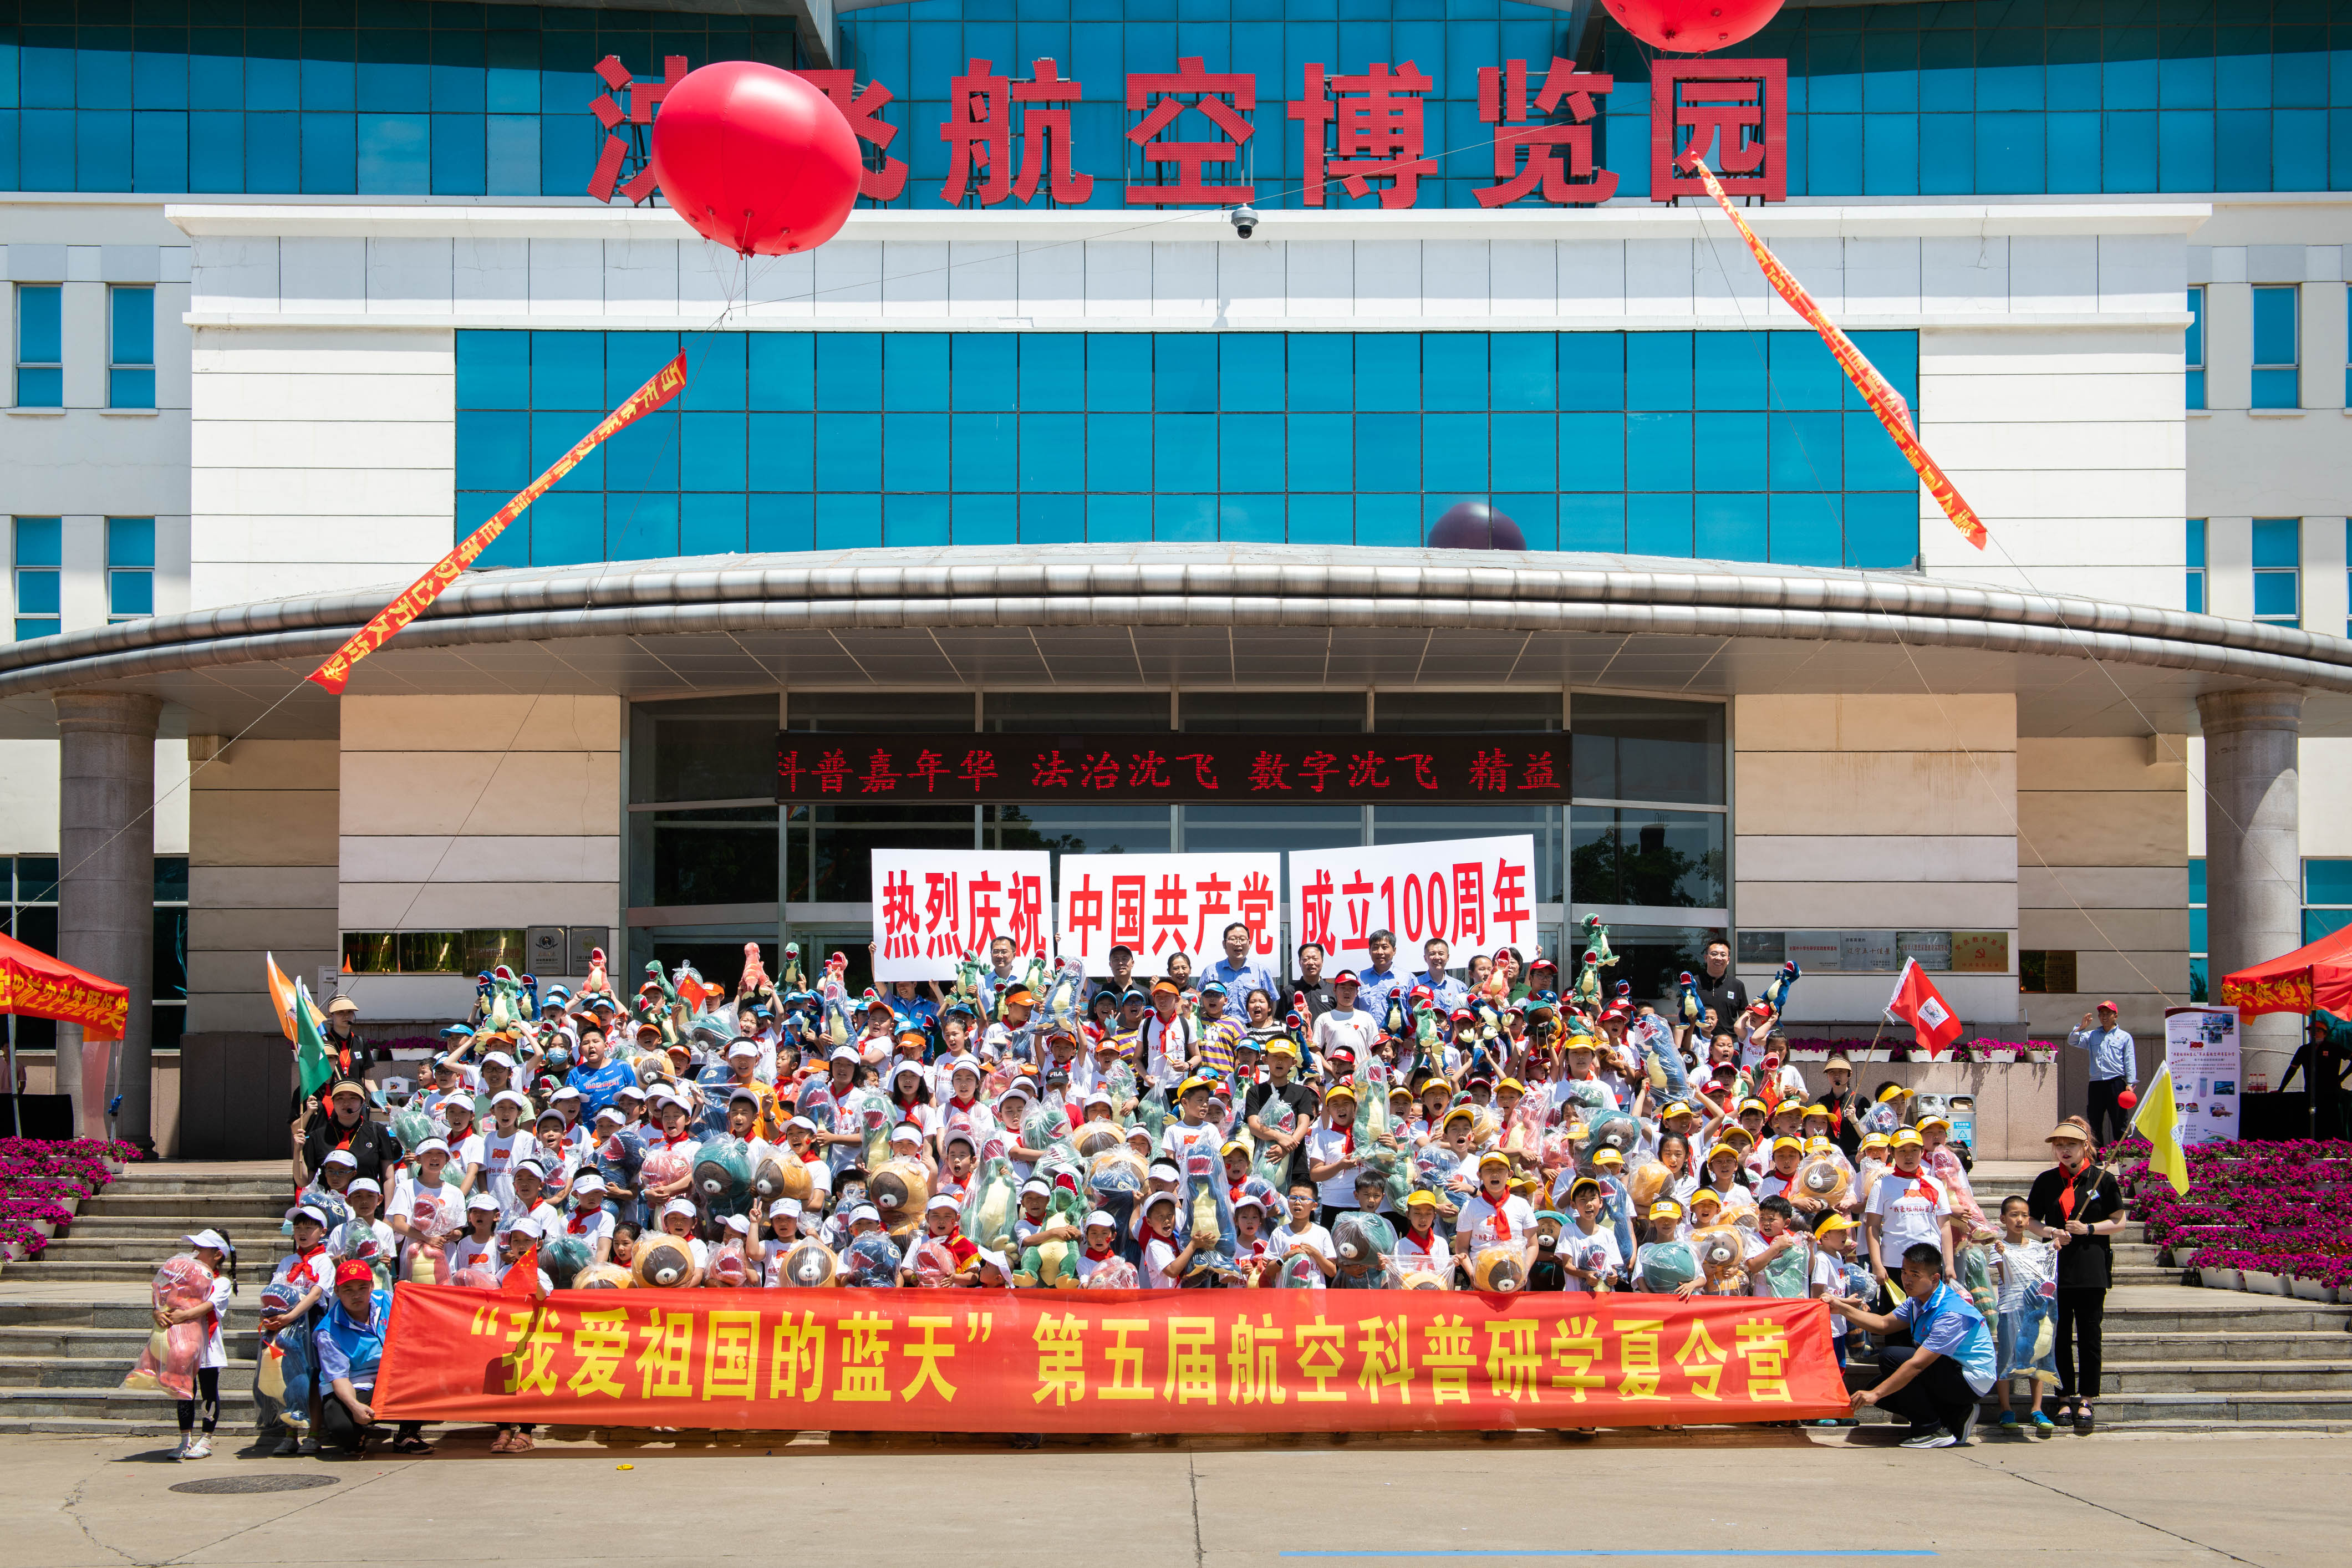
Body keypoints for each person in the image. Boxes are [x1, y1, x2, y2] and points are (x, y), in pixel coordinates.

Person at [1833, 1242, 1997, 1449]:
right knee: (1879, 1387)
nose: (1906, 1280)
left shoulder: (1951, 1313)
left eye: (1915, 1275)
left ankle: (1930, 1429)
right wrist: (1841, 1308)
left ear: (1935, 1278)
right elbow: (1884, 1324)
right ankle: (1956, 1414)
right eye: (1903, 1272)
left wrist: (1876, 1395)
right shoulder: (1917, 1300)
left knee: (1891, 1359)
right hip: (1951, 1372)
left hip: (1970, 1380)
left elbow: (1918, 1365)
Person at [2025, 1117, 2129, 1433]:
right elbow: (2030, 1221)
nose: (2064, 1151)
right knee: (2058, 1337)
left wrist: (2089, 1229)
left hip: (2092, 1269)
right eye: (2059, 1146)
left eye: (2070, 1145)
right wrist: (2054, 1230)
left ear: (2085, 1147)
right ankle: (2064, 1397)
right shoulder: (2046, 1181)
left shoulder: (2103, 1180)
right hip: (2056, 1269)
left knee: (2089, 1336)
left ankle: (2087, 1398)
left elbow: (2120, 1221)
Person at [314, 1259, 428, 1456]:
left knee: (425, 1372)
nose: (357, 1295)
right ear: (337, 1291)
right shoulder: (328, 1332)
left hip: (393, 1375)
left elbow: (420, 1316)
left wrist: (412, 1292)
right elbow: (339, 1378)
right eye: (348, 1289)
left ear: (372, 1286)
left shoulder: (388, 1300)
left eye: (362, 1287)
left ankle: (407, 1434)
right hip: (353, 1383)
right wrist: (355, 1406)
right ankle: (358, 1432)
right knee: (344, 1432)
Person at [1989, 1194, 2060, 1435]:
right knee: (2007, 1358)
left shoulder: (2039, 1249)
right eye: (2014, 1215)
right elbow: (2005, 1272)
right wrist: (2003, 1252)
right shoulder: (1998, 1249)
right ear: (2003, 1219)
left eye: (2024, 1216)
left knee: (2036, 1358)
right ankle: (2006, 1408)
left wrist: (2055, 1247)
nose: (2019, 1220)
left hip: (2035, 1311)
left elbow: (2045, 1277)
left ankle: (2037, 1409)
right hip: (2011, 1310)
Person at [163, 1230, 235, 1460]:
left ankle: (206, 1438)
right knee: (183, 1391)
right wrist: (159, 1313)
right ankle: (185, 1439)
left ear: (217, 1255)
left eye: (200, 1249)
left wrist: (182, 1316)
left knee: (208, 1391)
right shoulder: (182, 1281)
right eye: (194, 1248)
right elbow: (165, 1301)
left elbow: (209, 1306)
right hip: (183, 1344)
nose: (195, 1253)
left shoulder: (221, 1282)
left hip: (208, 1347)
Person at [295, 1079, 402, 1191]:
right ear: (333, 1103)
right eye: (340, 1098)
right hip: (330, 1204)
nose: (346, 1103)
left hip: (367, 1205)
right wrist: (297, 1150)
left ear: (362, 1102)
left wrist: (388, 1208)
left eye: (353, 1098)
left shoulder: (378, 1131)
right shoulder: (318, 1136)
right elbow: (303, 1181)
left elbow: (388, 1178)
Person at [2066, 1002, 2137, 1146]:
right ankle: (2097, 1156)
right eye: (2101, 1014)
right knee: (2095, 1121)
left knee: (2119, 1122)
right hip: (2096, 1083)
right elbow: (2073, 1041)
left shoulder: (2124, 1037)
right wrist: (2081, 1028)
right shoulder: (2092, 1035)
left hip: (2116, 1082)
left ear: (2115, 1016)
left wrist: (2130, 1084)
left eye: (2108, 1014)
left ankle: (2121, 1156)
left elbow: (2130, 1060)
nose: (2104, 1017)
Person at [1205, 921, 1278, 1015]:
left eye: (1242, 939)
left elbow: (1270, 1004)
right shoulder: (1211, 971)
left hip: (1251, 1028)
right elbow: (1200, 999)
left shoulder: (1261, 972)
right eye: (1233, 939)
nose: (1238, 943)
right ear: (1224, 944)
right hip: (1218, 1027)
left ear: (1249, 943)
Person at [1692, 939, 1749, 1035]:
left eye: (1723, 955)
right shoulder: (1693, 983)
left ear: (1728, 960)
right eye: (1714, 954)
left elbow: (1745, 1018)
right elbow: (1681, 1016)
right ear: (1706, 958)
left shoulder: (1737, 985)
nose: (1718, 958)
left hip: (1729, 1043)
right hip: (1697, 1042)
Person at [1290, 943, 1337, 1020]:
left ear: (1322, 962)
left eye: (1315, 959)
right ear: (1299, 963)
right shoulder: (1290, 991)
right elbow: (1283, 1021)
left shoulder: (1333, 991)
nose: (1311, 963)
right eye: (1306, 959)